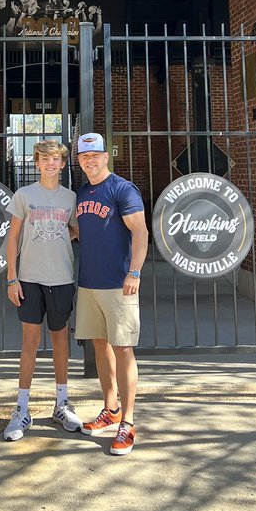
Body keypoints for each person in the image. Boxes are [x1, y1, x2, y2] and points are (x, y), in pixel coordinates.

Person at [74, 132, 148, 457]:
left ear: (106, 156)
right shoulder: (81, 193)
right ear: (79, 161)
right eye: (84, 156)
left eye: (95, 155)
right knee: (99, 346)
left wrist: (135, 272)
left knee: (123, 349)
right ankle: (111, 409)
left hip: (119, 283)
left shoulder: (122, 189)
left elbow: (140, 231)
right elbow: (81, 232)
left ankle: (128, 423)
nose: (90, 160)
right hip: (89, 283)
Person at [3, 141, 82, 441]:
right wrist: (12, 278)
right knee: (30, 343)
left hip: (61, 278)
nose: (50, 163)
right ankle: (22, 408)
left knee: (61, 340)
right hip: (29, 279)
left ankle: (61, 403)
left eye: (56, 159)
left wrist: (61, 236)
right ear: (36, 163)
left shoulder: (71, 197)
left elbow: (76, 230)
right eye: (45, 159)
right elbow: (13, 237)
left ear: (63, 164)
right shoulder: (24, 195)